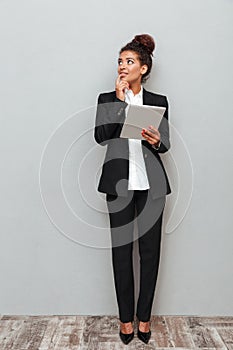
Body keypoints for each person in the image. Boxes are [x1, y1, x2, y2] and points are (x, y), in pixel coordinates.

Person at [94, 34, 171, 345]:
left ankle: (145, 318)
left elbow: (165, 144)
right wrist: (118, 101)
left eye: (129, 61)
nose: (122, 66)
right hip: (119, 186)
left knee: (150, 255)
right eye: (120, 61)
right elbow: (101, 137)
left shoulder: (158, 101)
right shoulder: (106, 99)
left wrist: (156, 140)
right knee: (121, 254)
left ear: (144, 67)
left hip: (151, 187)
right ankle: (125, 321)